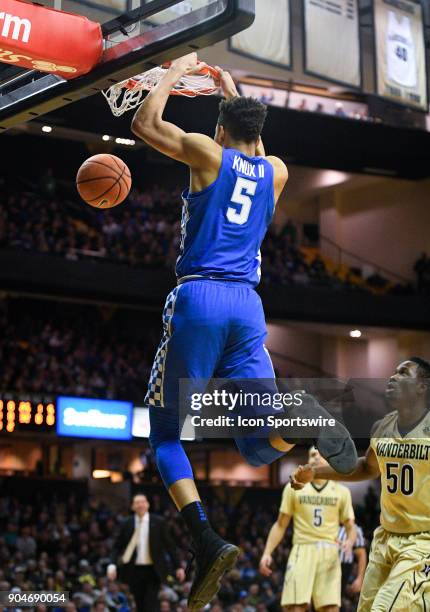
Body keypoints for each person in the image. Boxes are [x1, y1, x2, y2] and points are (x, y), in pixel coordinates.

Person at [131, 52, 357, 610]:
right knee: (257, 449)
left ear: (221, 129)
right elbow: (251, 141)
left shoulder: (208, 153)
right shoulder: (276, 171)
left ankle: (205, 539)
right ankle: (303, 413)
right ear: (258, 134)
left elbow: (144, 124)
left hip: (200, 298)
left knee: (165, 435)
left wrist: (173, 74)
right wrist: (228, 90)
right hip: (249, 309)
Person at [290, 357, 430, 611]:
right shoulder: (381, 427)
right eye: (393, 371)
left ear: (422, 386)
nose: (393, 377)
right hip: (386, 538)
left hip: (423, 542)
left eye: (403, 373)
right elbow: (367, 467)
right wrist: (316, 472)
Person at [259, 447, 357, 611]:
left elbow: (350, 527)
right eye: (312, 455)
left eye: (321, 454)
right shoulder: (294, 486)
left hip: (330, 551)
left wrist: (350, 541)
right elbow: (280, 524)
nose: (316, 458)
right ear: (307, 460)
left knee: (330, 608)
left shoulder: (342, 491)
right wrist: (267, 552)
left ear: (329, 459)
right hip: (302, 548)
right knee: (295, 606)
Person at [107, 493, 185, 612]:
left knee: (151, 602)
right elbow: (117, 547)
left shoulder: (159, 522)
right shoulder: (126, 523)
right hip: (134, 570)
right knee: (139, 603)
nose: (140, 505)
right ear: (132, 506)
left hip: (154, 569)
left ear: (148, 505)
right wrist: (112, 565)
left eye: (143, 502)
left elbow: (170, 546)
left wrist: (178, 566)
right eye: (137, 503)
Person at [338, 523, 367, 605]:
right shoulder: (325, 525)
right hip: (323, 565)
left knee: (337, 603)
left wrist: (360, 578)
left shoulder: (354, 529)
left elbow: (361, 554)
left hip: (344, 568)